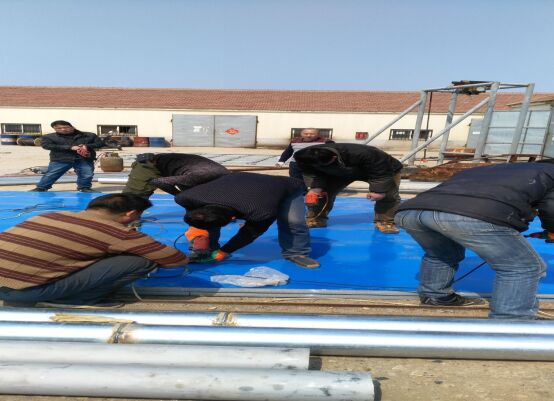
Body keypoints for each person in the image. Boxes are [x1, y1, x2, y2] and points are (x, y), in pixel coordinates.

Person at [394, 161, 554, 319]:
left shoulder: (496, 168)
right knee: (522, 266)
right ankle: (511, 319)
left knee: (442, 253)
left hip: (411, 211)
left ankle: (435, 295)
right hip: (468, 215)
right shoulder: (550, 174)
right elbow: (551, 209)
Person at [0, 193, 188, 308]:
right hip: (23, 291)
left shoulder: (50, 215)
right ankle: (76, 300)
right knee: (140, 261)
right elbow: (175, 259)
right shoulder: (117, 233)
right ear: (131, 214)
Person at [175, 172, 320, 268]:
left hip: (285, 186)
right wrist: (200, 236)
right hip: (239, 182)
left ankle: (296, 253)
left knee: (293, 221)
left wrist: (225, 251)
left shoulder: (260, 211)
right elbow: (198, 217)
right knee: (206, 222)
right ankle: (208, 248)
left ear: (232, 218)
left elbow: (250, 232)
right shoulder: (185, 198)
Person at [294, 143, 403, 233]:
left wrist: (379, 191)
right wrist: (315, 188)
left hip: (383, 170)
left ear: (333, 158)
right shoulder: (304, 157)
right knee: (322, 194)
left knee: (388, 195)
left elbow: (381, 172)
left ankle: (385, 222)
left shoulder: (365, 154)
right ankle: (316, 218)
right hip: (339, 172)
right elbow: (310, 173)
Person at [30, 120, 105, 192]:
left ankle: (84, 188)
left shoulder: (89, 135)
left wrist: (86, 146)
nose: (63, 129)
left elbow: (100, 144)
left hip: (84, 158)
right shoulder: (49, 137)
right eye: (58, 128)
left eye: (65, 127)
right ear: (54, 129)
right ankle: (41, 188)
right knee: (52, 174)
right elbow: (47, 146)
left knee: (86, 174)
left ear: (72, 127)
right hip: (61, 159)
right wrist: (70, 147)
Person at [122, 153, 230, 199]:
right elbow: (158, 182)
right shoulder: (198, 177)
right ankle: (121, 219)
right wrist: (179, 195)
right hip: (150, 164)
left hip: (181, 168)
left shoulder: (227, 177)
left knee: (193, 196)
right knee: (133, 197)